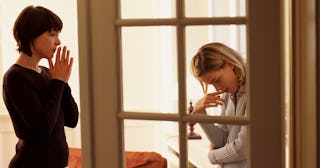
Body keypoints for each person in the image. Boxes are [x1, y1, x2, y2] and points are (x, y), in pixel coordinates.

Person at [2, 5, 79, 168]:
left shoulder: (47, 73)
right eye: (52, 34)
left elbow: (72, 120)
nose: (58, 42)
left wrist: (62, 82)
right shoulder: (15, 77)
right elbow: (43, 129)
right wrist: (58, 82)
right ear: (32, 35)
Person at [190, 42, 247, 167]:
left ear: (229, 63)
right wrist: (199, 112)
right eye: (211, 84)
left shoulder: (255, 93)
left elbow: (243, 148)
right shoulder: (228, 93)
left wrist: (212, 156)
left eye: (217, 80)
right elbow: (221, 141)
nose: (217, 89)